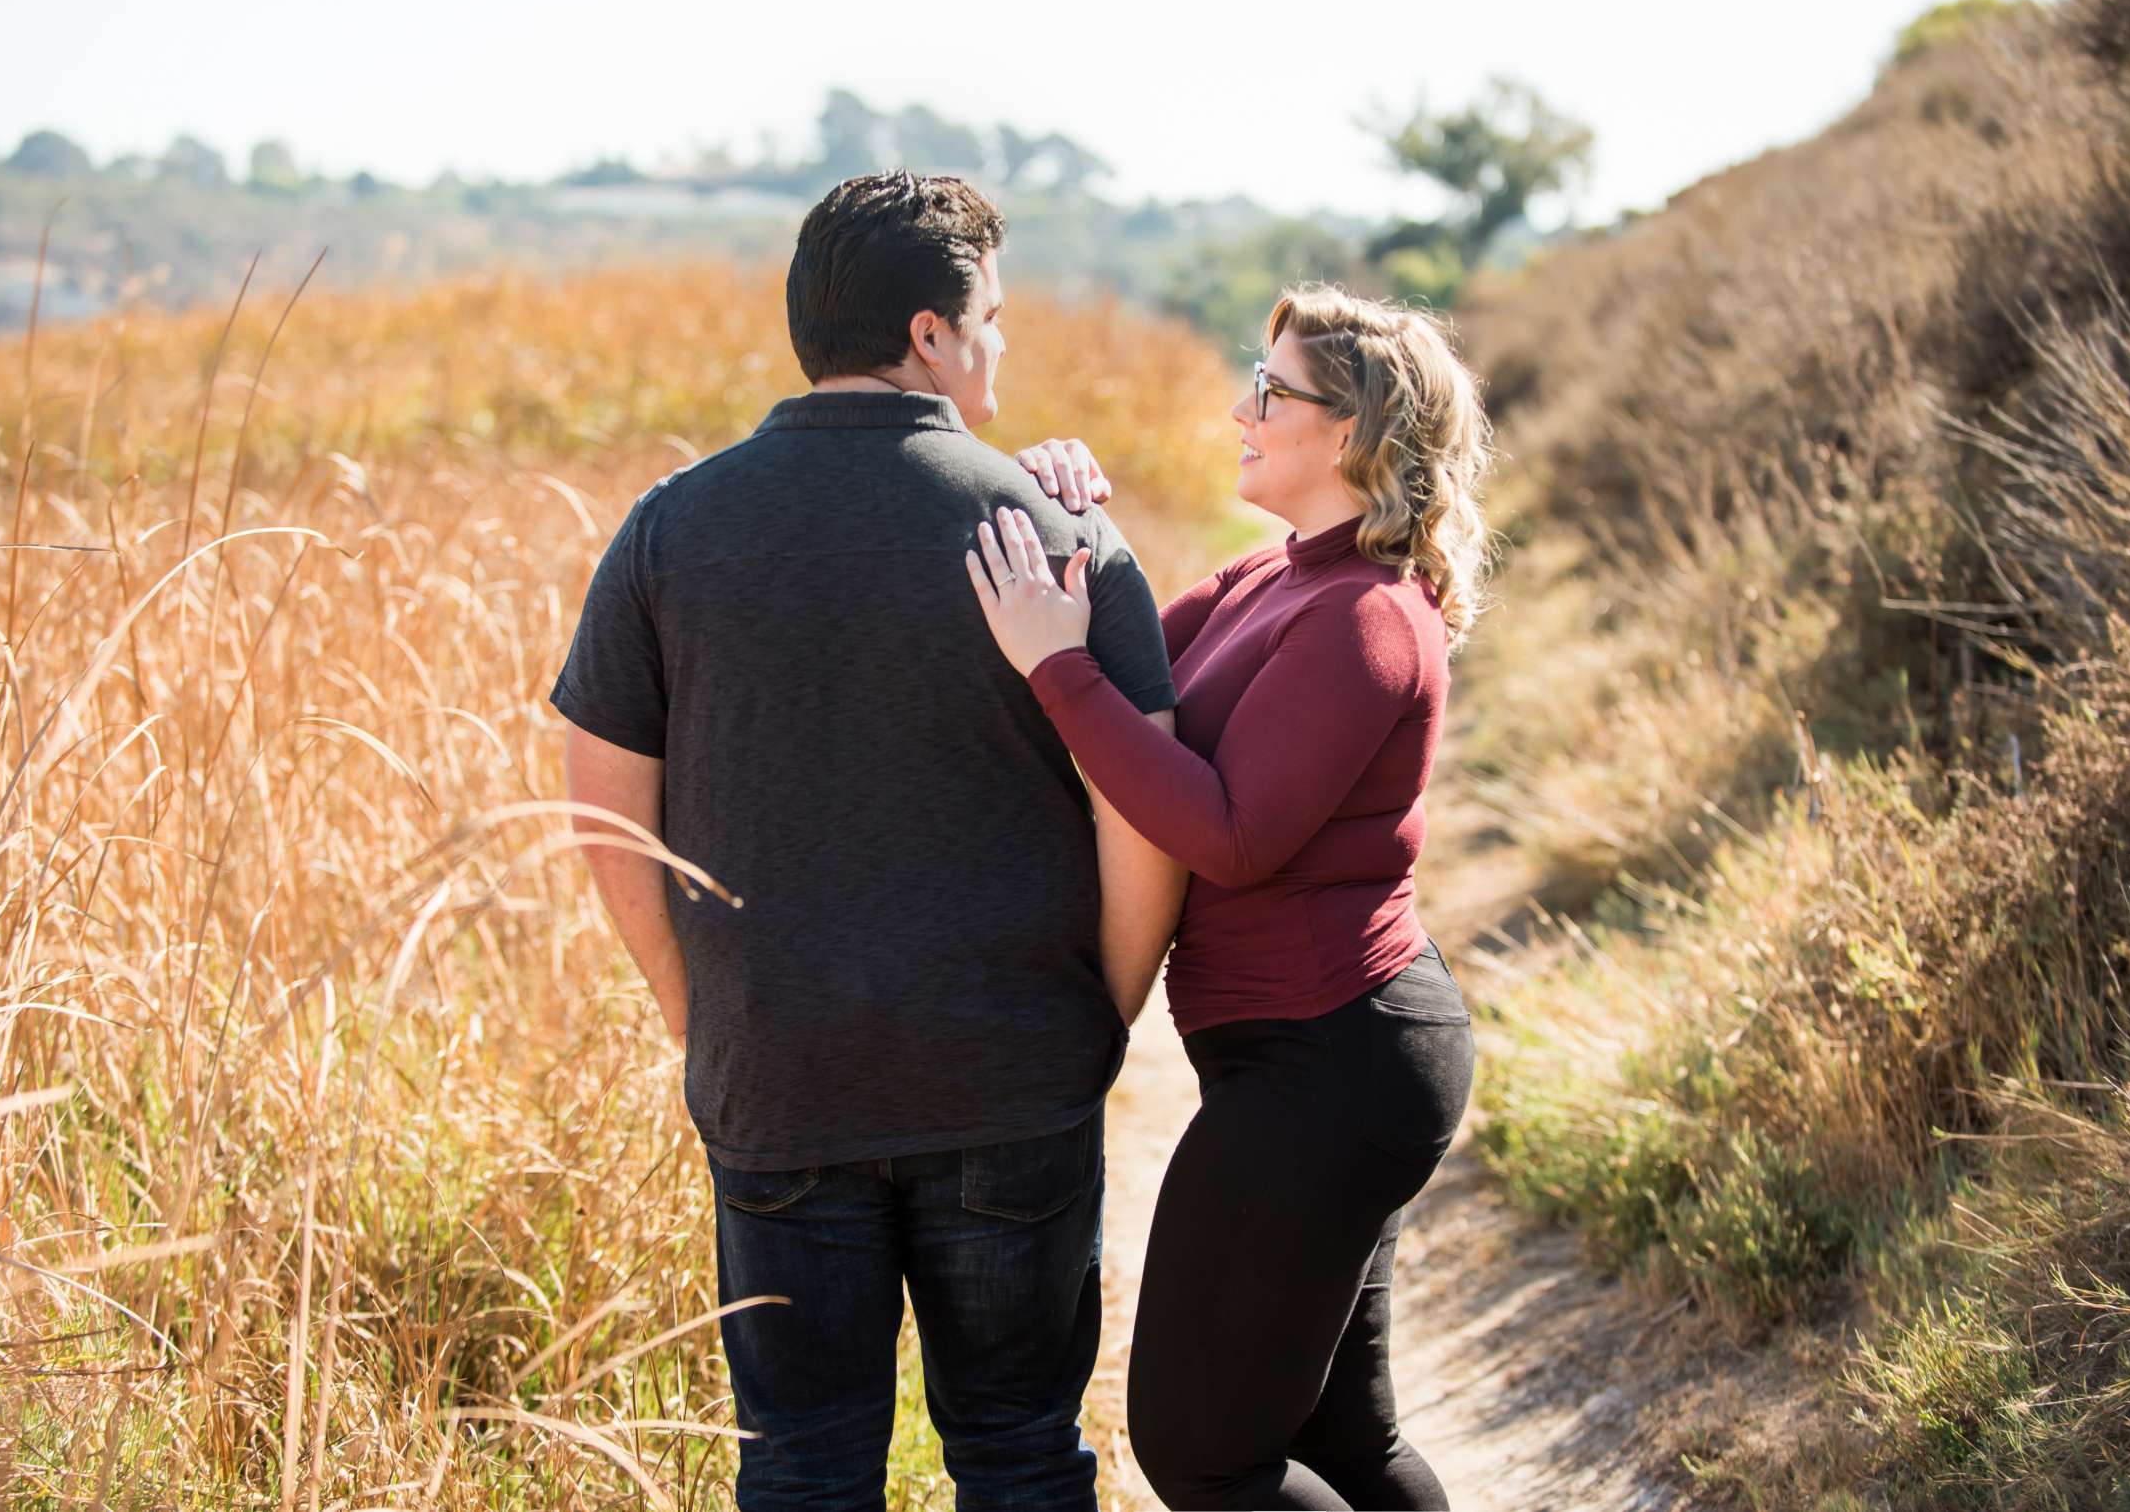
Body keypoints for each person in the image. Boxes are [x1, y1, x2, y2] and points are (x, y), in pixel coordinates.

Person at [550, 171, 1189, 1512]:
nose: (1002, 344)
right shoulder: (1062, 534)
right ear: (930, 334)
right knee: (1019, 1452)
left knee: (802, 1467)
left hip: (779, 1077)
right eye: (994, 317)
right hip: (1013, 1071)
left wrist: (707, 1013)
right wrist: (1100, 1015)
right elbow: (1150, 813)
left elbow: (606, 815)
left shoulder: (672, 528)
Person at [968, 285, 1492, 1509]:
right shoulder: (1275, 580)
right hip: (1326, 1065)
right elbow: (1123, 675)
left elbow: (1231, 833)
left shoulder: (1367, 620)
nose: (1238, 409)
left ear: (1353, 431)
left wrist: (1053, 665)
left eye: (1270, 392)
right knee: (1340, 1442)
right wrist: (1066, 511)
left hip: (1334, 1069)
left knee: (1205, 1456)